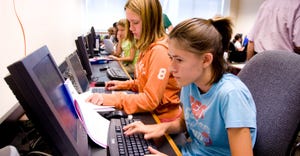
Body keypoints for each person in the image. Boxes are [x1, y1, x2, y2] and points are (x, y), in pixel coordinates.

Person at [123, 17, 257, 155]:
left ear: (205, 60)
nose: (171, 68)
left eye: (179, 60)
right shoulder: (190, 83)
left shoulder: (231, 95)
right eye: (171, 58)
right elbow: (188, 122)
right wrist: (162, 128)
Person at [86, 0, 182, 122]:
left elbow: (150, 100)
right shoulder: (147, 45)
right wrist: (124, 84)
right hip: (152, 114)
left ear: (151, 22)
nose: (131, 28)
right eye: (129, 22)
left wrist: (112, 99)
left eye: (135, 22)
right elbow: (145, 81)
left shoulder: (160, 51)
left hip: (162, 119)